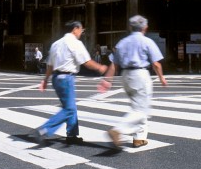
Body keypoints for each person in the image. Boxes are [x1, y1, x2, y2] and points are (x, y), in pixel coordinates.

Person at [33, 21, 113, 144]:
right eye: (81, 30)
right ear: (75, 29)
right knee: (69, 109)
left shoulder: (56, 43)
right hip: (66, 78)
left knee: (70, 107)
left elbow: (50, 65)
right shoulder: (75, 43)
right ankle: (45, 129)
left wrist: (45, 80)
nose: (81, 33)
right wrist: (100, 67)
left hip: (56, 78)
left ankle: (72, 134)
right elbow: (86, 62)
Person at [107, 15, 167, 149]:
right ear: (145, 27)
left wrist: (107, 80)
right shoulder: (146, 41)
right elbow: (156, 64)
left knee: (138, 106)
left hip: (125, 75)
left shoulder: (122, 42)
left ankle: (139, 138)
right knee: (141, 110)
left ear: (130, 27)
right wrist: (162, 77)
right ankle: (119, 130)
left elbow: (114, 63)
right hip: (140, 74)